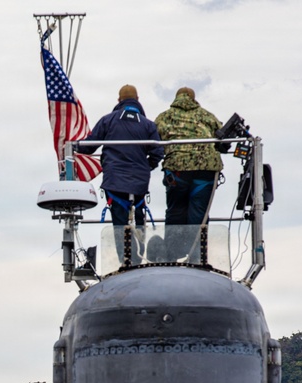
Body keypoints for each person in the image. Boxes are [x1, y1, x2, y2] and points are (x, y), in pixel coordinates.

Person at [76, 85, 163, 264]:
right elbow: (157, 153)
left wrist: (73, 145)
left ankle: (124, 262)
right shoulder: (148, 125)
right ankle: (139, 259)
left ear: (119, 101)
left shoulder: (108, 120)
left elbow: (90, 147)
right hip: (139, 184)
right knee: (139, 217)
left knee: (119, 224)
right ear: (138, 100)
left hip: (115, 182)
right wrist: (145, 168)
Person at [154, 87, 224, 260]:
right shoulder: (208, 116)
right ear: (194, 98)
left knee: (175, 211)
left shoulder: (164, 117)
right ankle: (197, 258)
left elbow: (154, 140)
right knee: (199, 214)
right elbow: (222, 136)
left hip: (177, 171)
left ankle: (171, 257)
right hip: (205, 170)